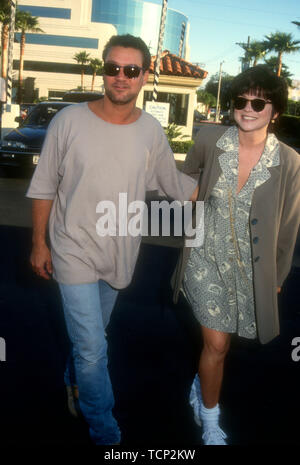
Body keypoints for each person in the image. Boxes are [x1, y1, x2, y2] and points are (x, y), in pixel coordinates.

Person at [26, 34, 198, 445]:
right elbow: (44, 185)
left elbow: (176, 185)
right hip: (72, 249)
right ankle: (106, 433)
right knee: (92, 349)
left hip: (120, 251)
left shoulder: (152, 131)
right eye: (112, 68)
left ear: (143, 77)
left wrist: (235, 190)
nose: (120, 77)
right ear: (104, 71)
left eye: (131, 70)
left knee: (92, 340)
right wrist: (39, 243)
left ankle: (74, 384)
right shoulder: (68, 120)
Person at [172, 65, 300, 445]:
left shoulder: (290, 161)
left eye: (258, 103)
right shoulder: (210, 139)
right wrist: (188, 195)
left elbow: (289, 225)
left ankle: (202, 380)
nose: (248, 108)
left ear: (274, 111)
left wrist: (276, 278)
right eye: (241, 101)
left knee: (223, 347)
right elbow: (188, 176)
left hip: (250, 266)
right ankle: (210, 419)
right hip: (204, 257)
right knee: (217, 344)